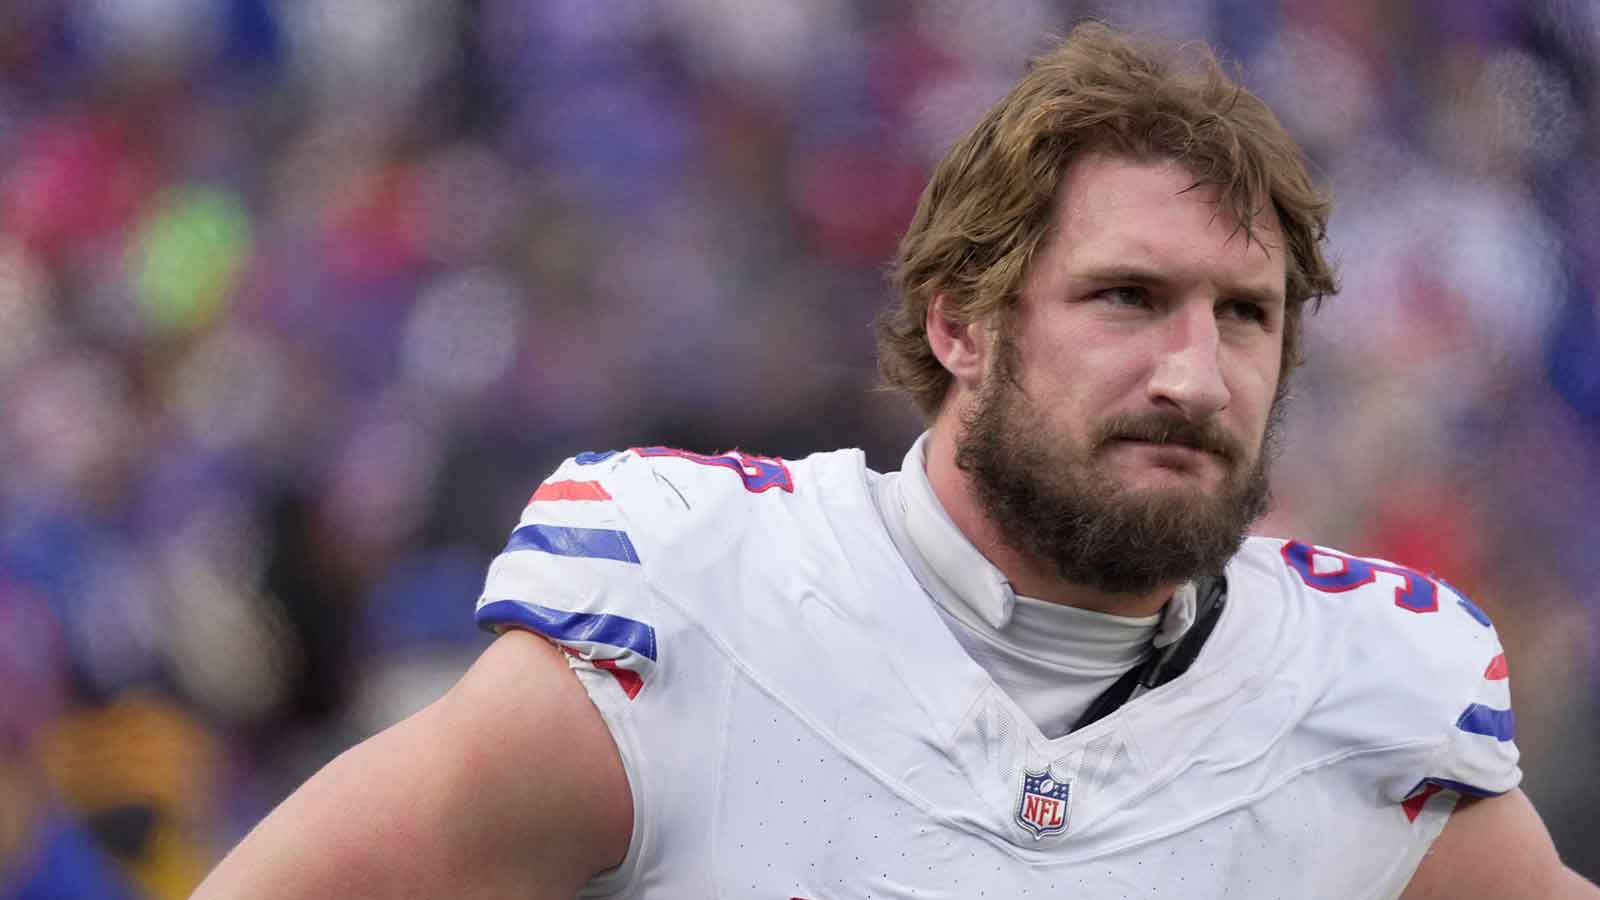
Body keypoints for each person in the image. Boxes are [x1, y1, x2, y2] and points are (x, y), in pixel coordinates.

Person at [191, 21, 1598, 900]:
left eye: (1247, 316)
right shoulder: (697, 612)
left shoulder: (1363, 709)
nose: (1196, 372)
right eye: (1127, 298)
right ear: (961, 323)